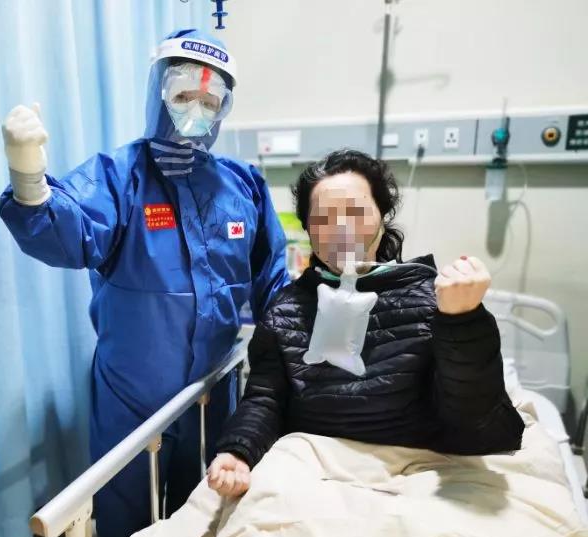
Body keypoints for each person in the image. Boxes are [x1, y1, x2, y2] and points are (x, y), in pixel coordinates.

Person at [0, 29, 289, 537]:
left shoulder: (243, 186)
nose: (196, 109)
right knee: (126, 524)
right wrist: (29, 179)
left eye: (210, 101)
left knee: (202, 514)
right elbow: (66, 234)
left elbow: (274, 282)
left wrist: (303, 349)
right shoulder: (117, 177)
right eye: (183, 94)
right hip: (131, 397)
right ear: (158, 93)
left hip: (210, 392)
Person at [207, 149, 524, 498]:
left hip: (415, 468)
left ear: (383, 217)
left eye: (356, 212)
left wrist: (462, 321)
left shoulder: (433, 301)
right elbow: (265, 401)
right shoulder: (285, 312)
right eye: (324, 218)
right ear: (308, 229)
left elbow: (474, 419)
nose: (341, 230)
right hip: (314, 467)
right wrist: (238, 450)